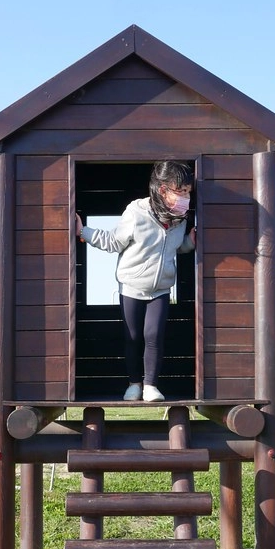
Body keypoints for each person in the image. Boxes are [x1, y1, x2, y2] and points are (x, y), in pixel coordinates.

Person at [75, 161, 196, 402]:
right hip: (131, 286)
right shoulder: (136, 213)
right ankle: (134, 384)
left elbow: (176, 249)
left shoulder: (180, 220)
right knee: (133, 336)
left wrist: (191, 242)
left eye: (188, 192)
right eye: (180, 191)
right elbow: (113, 241)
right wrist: (83, 232)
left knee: (154, 335)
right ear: (163, 190)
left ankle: (151, 386)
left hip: (161, 289)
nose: (186, 197)